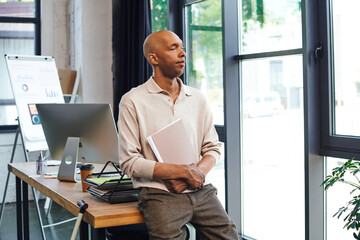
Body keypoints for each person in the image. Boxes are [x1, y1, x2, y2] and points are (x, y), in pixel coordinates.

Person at [118, 30, 240, 240]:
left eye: (182, 47)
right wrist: (183, 172)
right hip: (158, 195)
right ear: (153, 58)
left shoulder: (197, 98)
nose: (182, 53)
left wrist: (196, 175)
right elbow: (129, 163)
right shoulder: (132, 101)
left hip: (200, 189)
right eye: (173, 48)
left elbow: (213, 147)